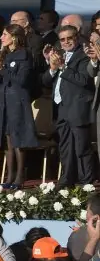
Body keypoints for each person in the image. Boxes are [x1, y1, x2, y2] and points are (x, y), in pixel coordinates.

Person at [0, 25, 38, 190]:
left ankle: (19, 175)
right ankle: (9, 175)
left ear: (14, 37)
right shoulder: (4, 55)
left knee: (18, 140)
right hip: (3, 102)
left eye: (4, 34)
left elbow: (21, 80)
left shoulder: (24, 55)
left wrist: (2, 70)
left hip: (17, 101)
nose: (1, 37)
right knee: (8, 142)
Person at [42, 25, 95, 186]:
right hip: (61, 108)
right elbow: (45, 81)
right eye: (62, 39)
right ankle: (67, 180)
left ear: (77, 38)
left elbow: (84, 80)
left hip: (78, 108)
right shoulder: (60, 55)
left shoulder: (84, 55)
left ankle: (86, 183)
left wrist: (62, 67)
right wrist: (51, 67)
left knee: (81, 148)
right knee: (65, 148)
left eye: (69, 38)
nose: (65, 42)